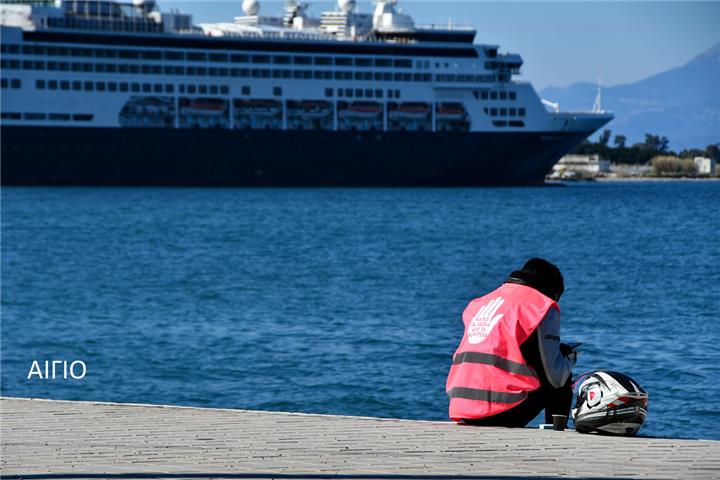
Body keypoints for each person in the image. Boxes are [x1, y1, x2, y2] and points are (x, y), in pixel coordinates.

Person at [446, 258, 576, 428]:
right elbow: (555, 377)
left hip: (463, 408)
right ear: (554, 291)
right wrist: (569, 358)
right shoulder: (542, 305)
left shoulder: (481, 302)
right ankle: (556, 432)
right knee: (563, 376)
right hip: (501, 412)